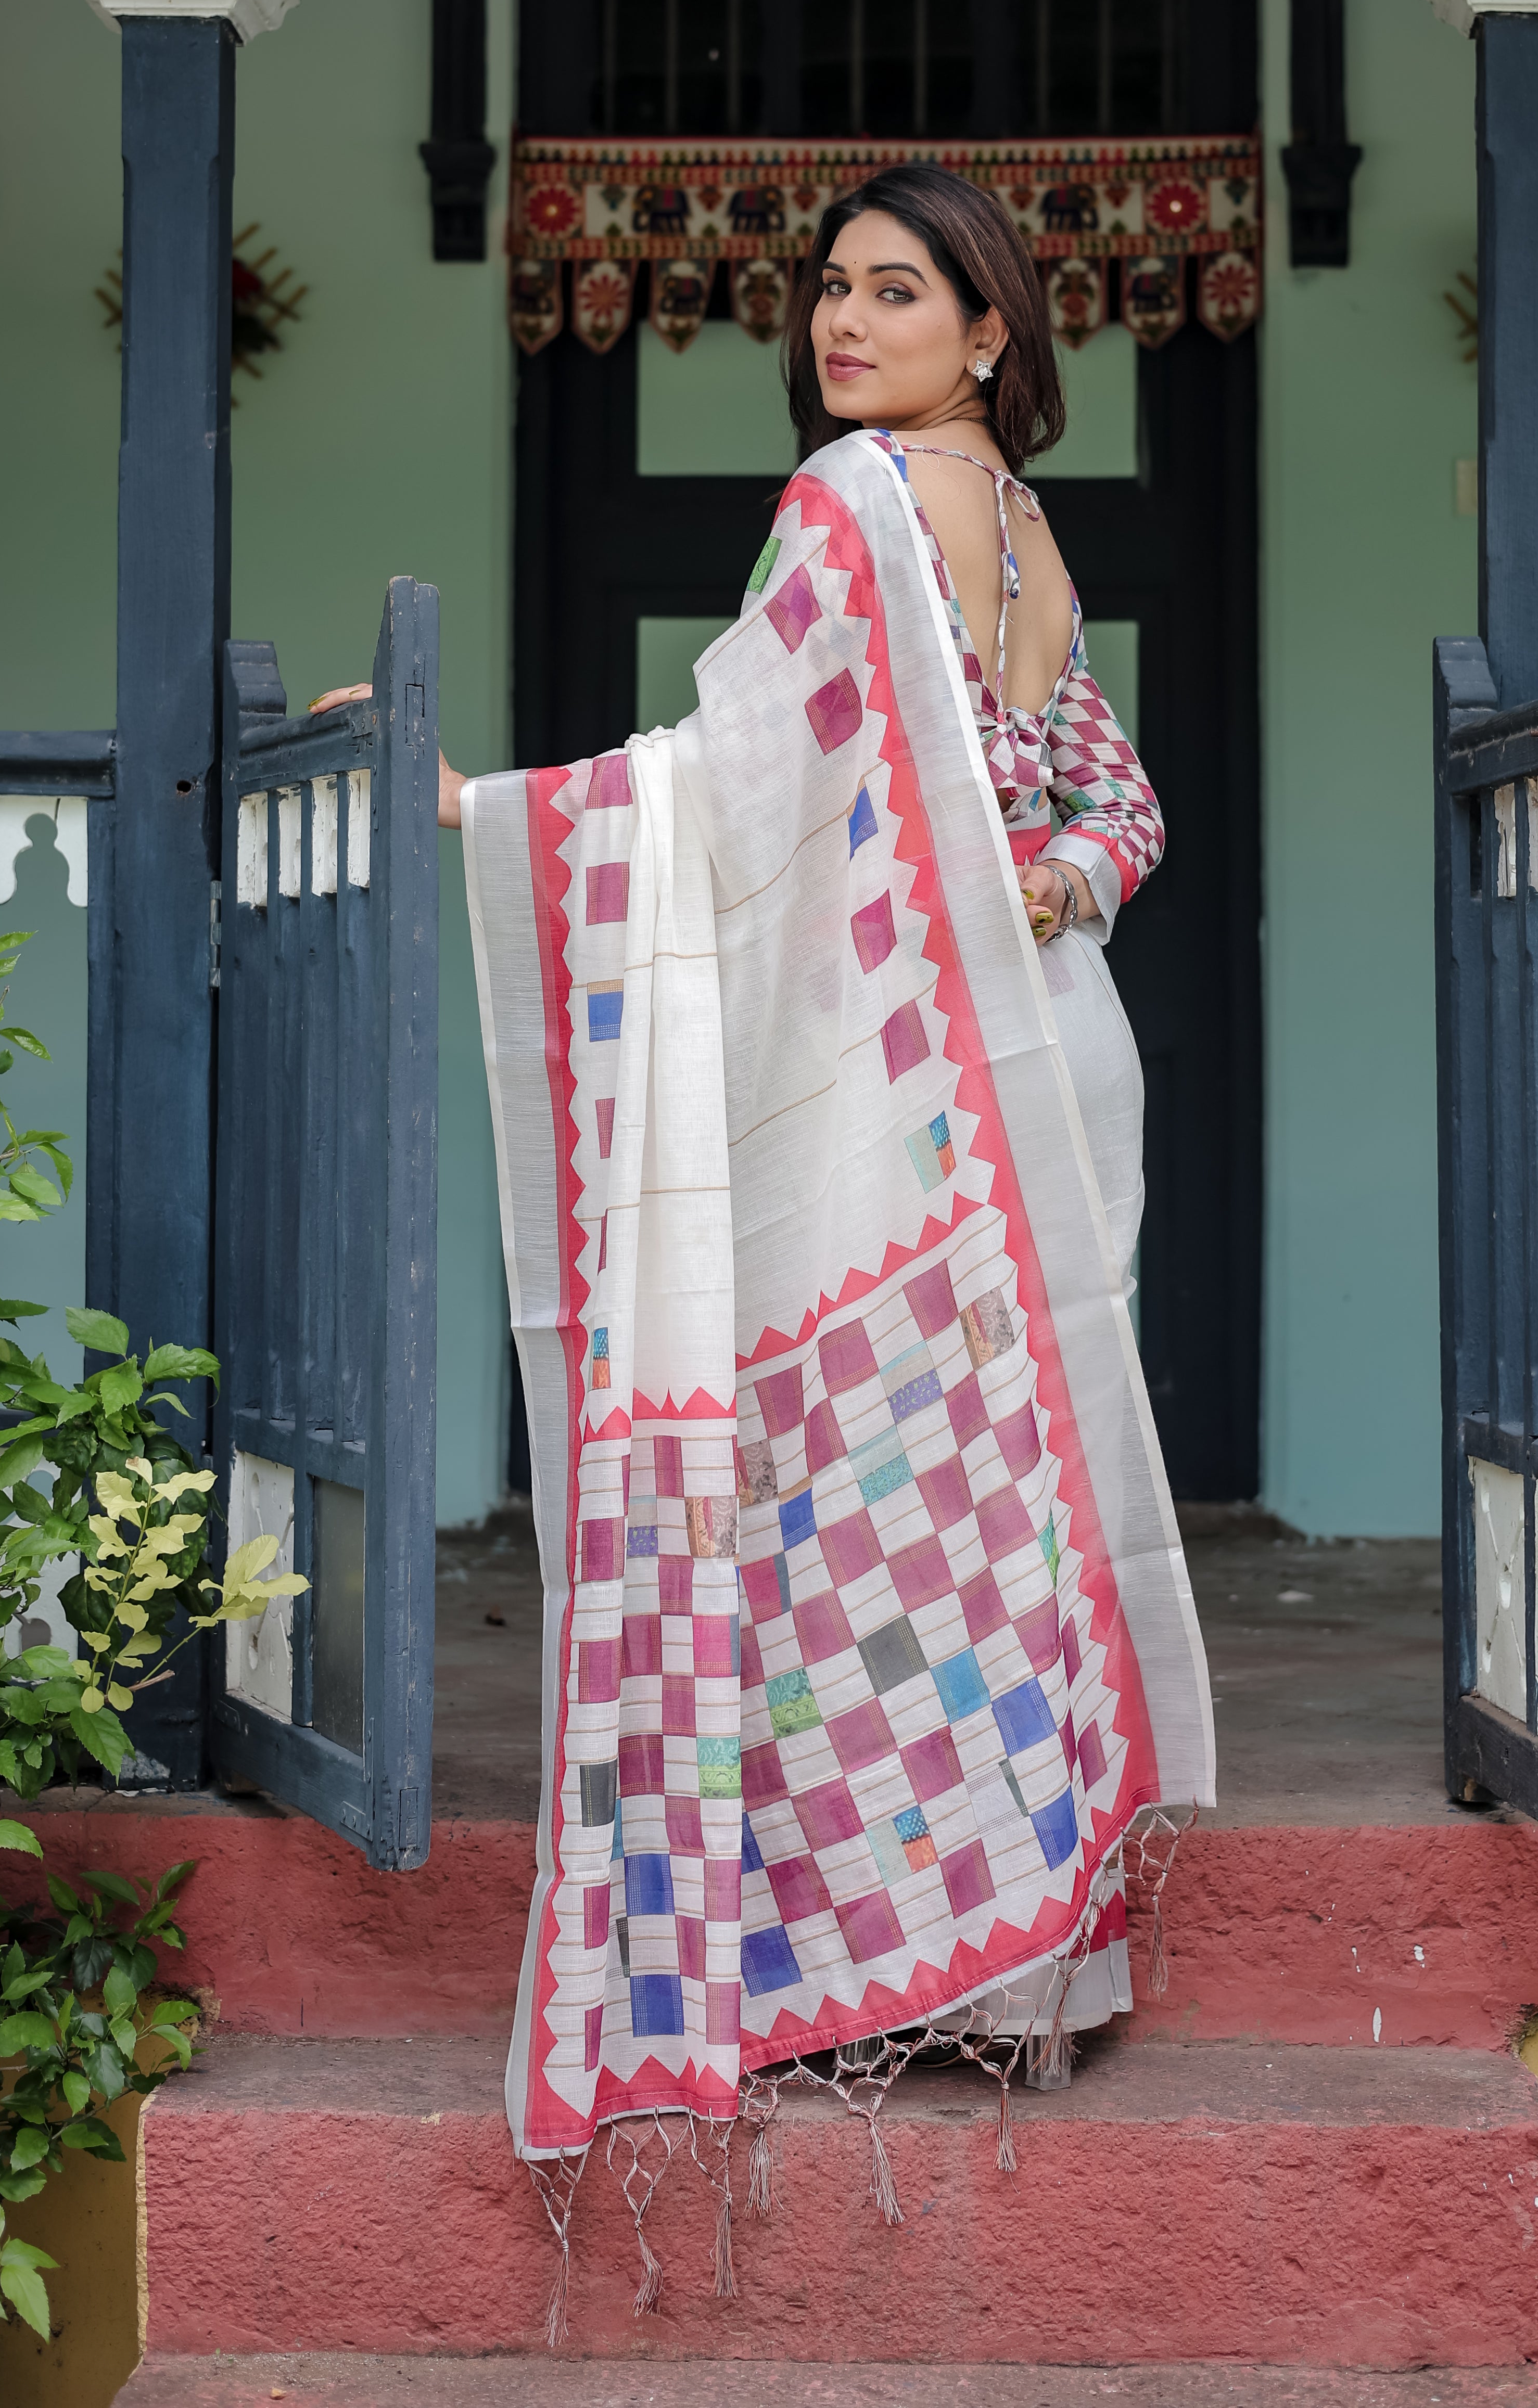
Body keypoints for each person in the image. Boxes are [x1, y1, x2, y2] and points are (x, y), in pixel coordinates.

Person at [318, 162, 1211, 2284]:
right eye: (827, 285)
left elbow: (721, 785)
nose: (840, 318)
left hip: (915, 1087)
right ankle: (1031, 1979)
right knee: (1003, 1505)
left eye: (895, 289)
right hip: (1055, 1059)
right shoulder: (1027, 533)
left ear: (989, 330)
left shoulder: (850, 508)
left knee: (880, 1499)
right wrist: (1046, 896)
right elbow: (1118, 804)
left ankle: (911, 1963)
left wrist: (476, 813)